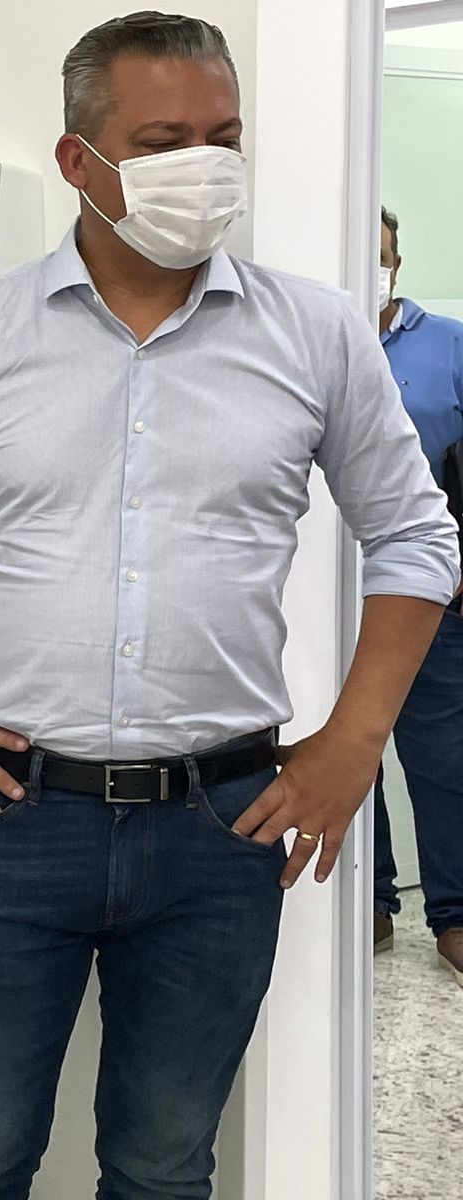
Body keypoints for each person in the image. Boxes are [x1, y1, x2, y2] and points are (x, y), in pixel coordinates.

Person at [0, 12, 461, 1200]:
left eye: (222, 138)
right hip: (12, 814)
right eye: (161, 142)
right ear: (77, 159)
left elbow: (415, 535)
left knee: (163, 1168)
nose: (203, 167)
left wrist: (355, 739)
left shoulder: (316, 334)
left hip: (220, 823)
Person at [370, 205, 463, 982]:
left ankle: (456, 914)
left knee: (443, 756)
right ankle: (367, 904)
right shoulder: (314, 340)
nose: (371, 267)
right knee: (346, 745)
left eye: (383, 255)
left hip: (434, 589)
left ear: (397, 263)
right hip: (327, 594)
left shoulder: (450, 346)